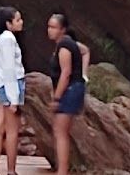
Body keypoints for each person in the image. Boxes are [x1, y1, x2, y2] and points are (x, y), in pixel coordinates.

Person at [0, 6, 25, 175]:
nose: (21, 22)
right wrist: (14, 98)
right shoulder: (8, 38)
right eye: (17, 20)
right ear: (8, 24)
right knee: (12, 130)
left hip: (2, 86)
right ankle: (11, 170)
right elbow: (9, 70)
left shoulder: (0, 38)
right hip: (11, 87)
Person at [47, 13, 87, 175]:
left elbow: (66, 73)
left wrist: (56, 97)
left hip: (70, 90)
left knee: (60, 131)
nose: (50, 30)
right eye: (49, 27)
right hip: (74, 88)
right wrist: (83, 74)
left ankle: (62, 171)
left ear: (62, 29)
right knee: (61, 131)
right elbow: (85, 51)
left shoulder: (64, 45)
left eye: (54, 27)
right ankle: (62, 169)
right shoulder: (69, 43)